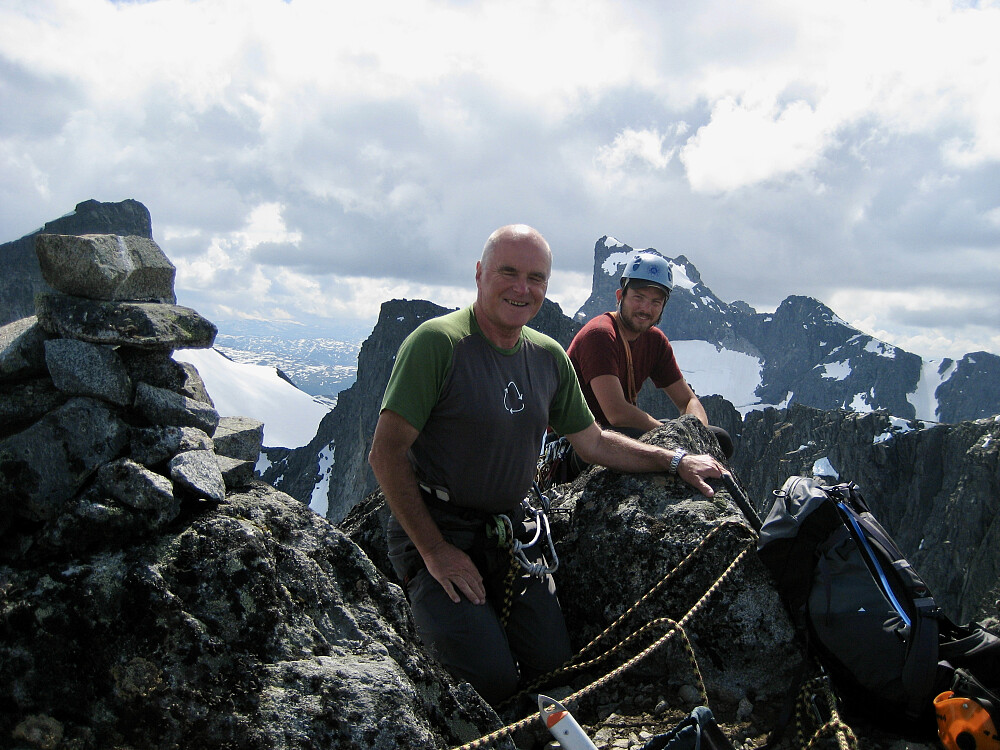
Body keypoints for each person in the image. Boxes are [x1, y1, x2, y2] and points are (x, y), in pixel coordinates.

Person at [368, 225, 727, 706]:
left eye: (536, 278)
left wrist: (675, 459)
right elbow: (385, 454)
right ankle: (436, 617)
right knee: (491, 682)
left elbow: (596, 442)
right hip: (440, 527)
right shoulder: (437, 344)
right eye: (508, 273)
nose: (523, 289)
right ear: (479, 275)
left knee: (555, 666)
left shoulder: (547, 356)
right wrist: (433, 550)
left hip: (510, 528)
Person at [567, 251, 734, 458]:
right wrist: (670, 435)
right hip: (580, 443)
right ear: (620, 296)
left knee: (720, 439)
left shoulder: (655, 341)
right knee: (653, 442)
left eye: (656, 302)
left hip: (620, 434)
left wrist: (695, 432)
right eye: (639, 297)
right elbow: (617, 413)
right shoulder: (600, 334)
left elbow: (688, 401)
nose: (646, 308)